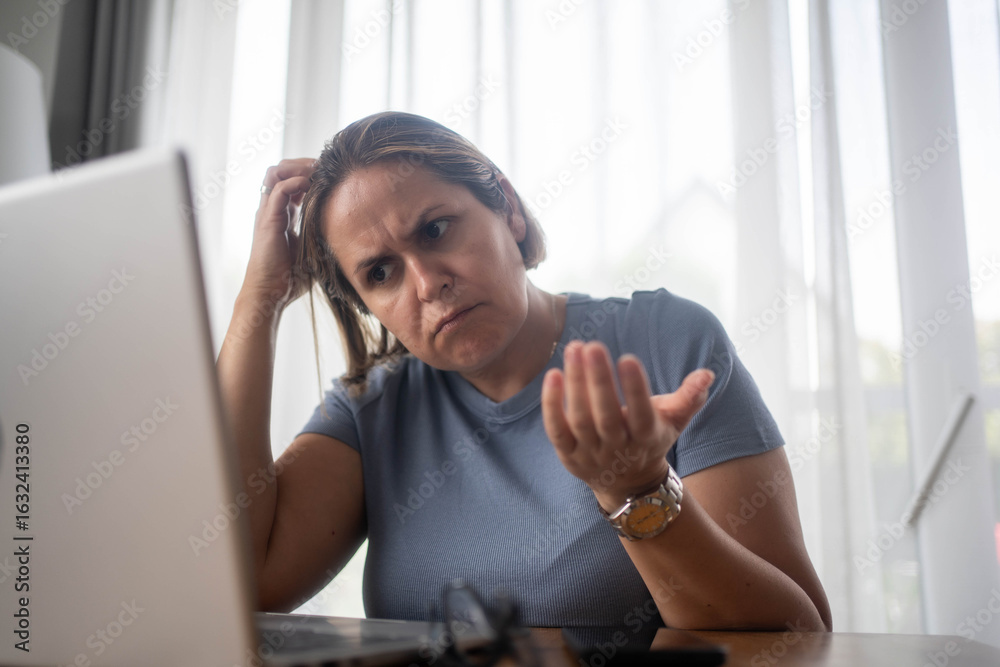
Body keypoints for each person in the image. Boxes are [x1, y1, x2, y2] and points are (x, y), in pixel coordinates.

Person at [216, 110, 832, 633]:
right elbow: (240, 581)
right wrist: (260, 297)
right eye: (381, 273)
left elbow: (797, 635)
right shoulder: (372, 408)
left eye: (436, 230)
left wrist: (637, 492)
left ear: (506, 208)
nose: (428, 284)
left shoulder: (668, 342)